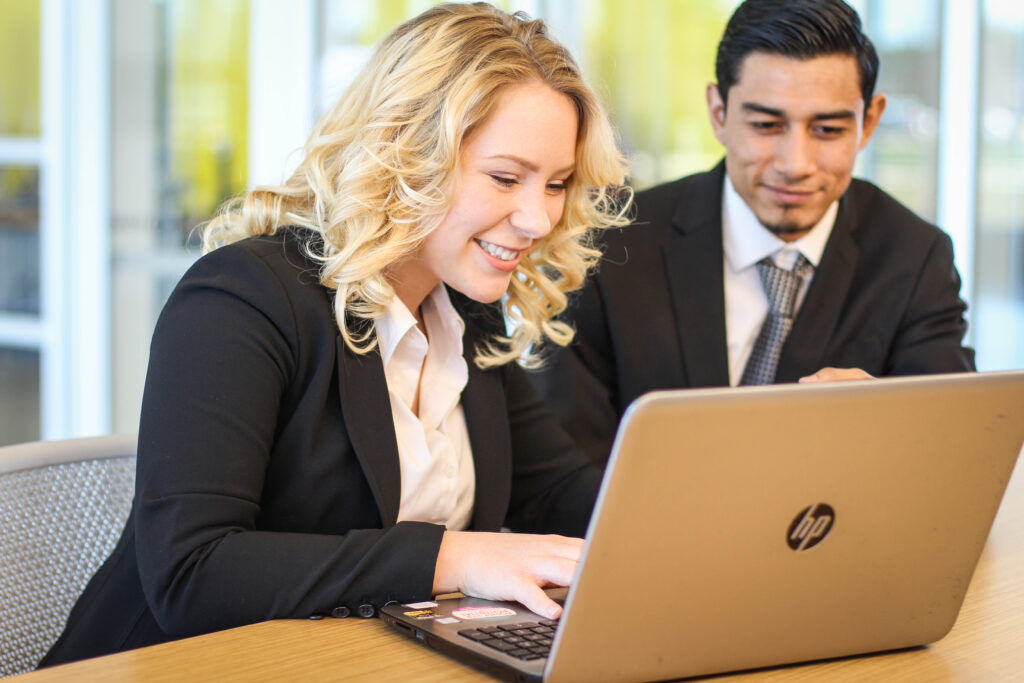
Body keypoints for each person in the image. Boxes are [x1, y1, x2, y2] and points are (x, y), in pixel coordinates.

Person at [40, 2, 629, 666]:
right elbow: (193, 569)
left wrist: (695, 526)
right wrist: (453, 554)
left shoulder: (462, 312)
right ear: (406, 150)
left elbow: (563, 493)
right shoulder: (242, 297)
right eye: (505, 177)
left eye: (556, 183)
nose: (538, 217)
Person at [532, 0, 975, 467]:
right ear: (718, 112)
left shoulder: (916, 256)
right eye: (766, 125)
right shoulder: (614, 242)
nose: (795, 164)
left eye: (827, 129)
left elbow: (953, 448)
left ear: (869, 122)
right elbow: (564, 464)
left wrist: (887, 424)